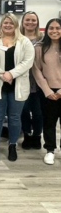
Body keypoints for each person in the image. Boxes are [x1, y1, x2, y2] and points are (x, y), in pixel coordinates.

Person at [0, 13, 35, 162]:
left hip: (17, 85)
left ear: (16, 25)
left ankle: (12, 145)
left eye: (11, 23)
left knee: (14, 117)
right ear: (1, 24)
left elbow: (28, 62)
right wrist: (2, 75)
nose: (7, 25)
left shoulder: (24, 42)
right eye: (5, 23)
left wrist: (11, 74)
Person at [32, 18, 61, 165]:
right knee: (49, 122)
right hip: (47, 92)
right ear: (46, 30)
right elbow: (36, 70)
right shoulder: (39, 47)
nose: (54, 31)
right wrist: (47, 90)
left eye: (58, 28)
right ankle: (50, 150)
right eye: (51, 28)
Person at [20, 11, 44, 150]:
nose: (30, 22)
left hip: (39, 81)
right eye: (27, 20)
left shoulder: (43, 39)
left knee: (38, 112)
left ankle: (37, 136)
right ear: (23, 22)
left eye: (33, 20)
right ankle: (27, 135)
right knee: (23, 110)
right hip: (22, 80)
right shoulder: (18, 38)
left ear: (37, 22)